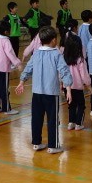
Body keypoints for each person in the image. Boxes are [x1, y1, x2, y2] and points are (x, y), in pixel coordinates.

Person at [16, 26, 73, 154]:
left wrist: (22, 81)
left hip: (37, 93)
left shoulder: (36, 53)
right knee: (53, 119)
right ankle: (53, 146)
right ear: (53, 40)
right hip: (51, 94)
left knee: (36, 119)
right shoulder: (56, 54)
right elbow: (64, 71)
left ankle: (36, 143)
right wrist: (68, 88)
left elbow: (28, 68)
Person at [0, 18, 22, 115]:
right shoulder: (6, 41)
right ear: (6, 32)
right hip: (2, 69)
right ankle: (7, 109)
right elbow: (10, 53)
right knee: (4, 89)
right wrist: (18, 63)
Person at [63, 34, 92, 131]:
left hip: (67, 87)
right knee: (81, 105)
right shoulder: (80, 60)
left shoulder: (64, 59)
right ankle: (78, 124)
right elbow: (84, 75)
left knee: (71, 105)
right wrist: (89, 86)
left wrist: (61, 83)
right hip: (77, 87)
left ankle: (71, 123)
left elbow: (61, 73)